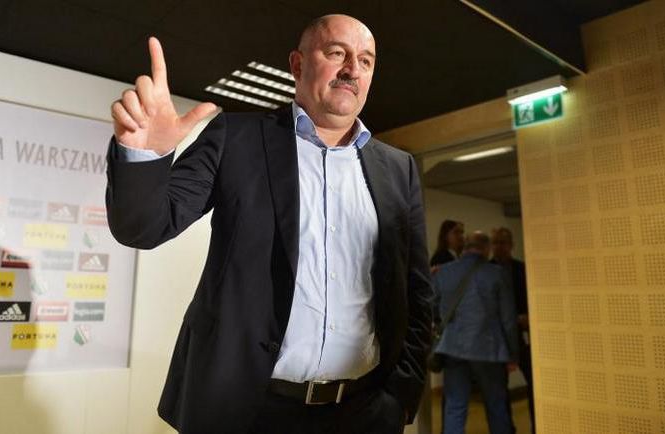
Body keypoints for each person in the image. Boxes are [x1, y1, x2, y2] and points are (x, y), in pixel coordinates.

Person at [106, 14, 432, 434]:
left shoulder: (399, 169)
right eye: (337, 53)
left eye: (366, 60)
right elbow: (144, 228)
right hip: (247, 411)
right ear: (297, 64)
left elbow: (417, 291)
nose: (353, 69)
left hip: (365, 412)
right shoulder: (235, 137)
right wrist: (145, 156)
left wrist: (402, 395)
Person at [431, 231, 518, 434]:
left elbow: (432, 307)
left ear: (465, 248)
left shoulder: (443, 272)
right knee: (496, 405)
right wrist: (513, 354)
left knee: (454, 406)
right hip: (489, 350)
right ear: (486, 249)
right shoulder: (497, 274)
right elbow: (508, 319)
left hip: (452, 348)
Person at [490, 227, 534, 433]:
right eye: (495, 242)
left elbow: (532, 298)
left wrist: (527, 316)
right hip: (496, 339)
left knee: (534, 384)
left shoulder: (522, 269)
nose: (499, 247)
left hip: (522, 335)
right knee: (499, 391)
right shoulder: (485, 270)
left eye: (503, 242)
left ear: (511, 245)